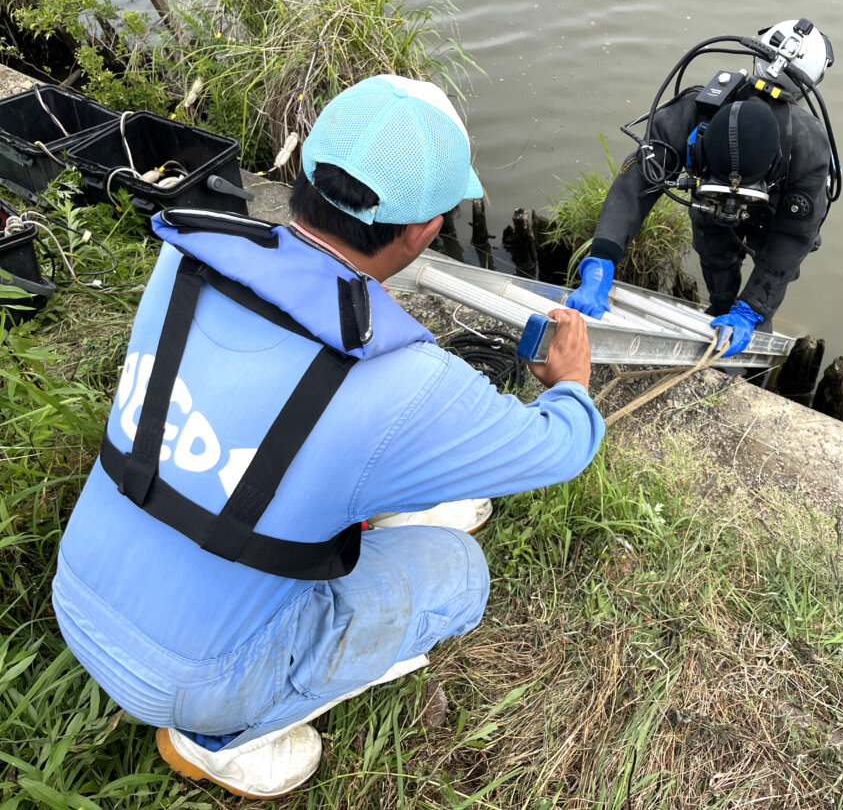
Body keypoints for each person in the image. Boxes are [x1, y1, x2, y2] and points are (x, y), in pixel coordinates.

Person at [51, 74, 604, 798]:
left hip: (80, 589)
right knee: (459, 570)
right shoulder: (407, 381)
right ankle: (217, 738)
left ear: (305, 171)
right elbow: (563, 444)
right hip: (191, 678)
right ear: (423, 230)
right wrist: (571, 383)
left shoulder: (185, 257)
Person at [567, 20, 835, 358]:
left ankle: (747, 332)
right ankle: (719, 305)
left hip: (773, 218)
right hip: (709, 205)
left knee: (764, 291)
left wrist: (753, 308)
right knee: (714, 253)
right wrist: (602, 259)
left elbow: (796, 236)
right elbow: (636, 183)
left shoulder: (808, 147)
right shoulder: (694, 112)